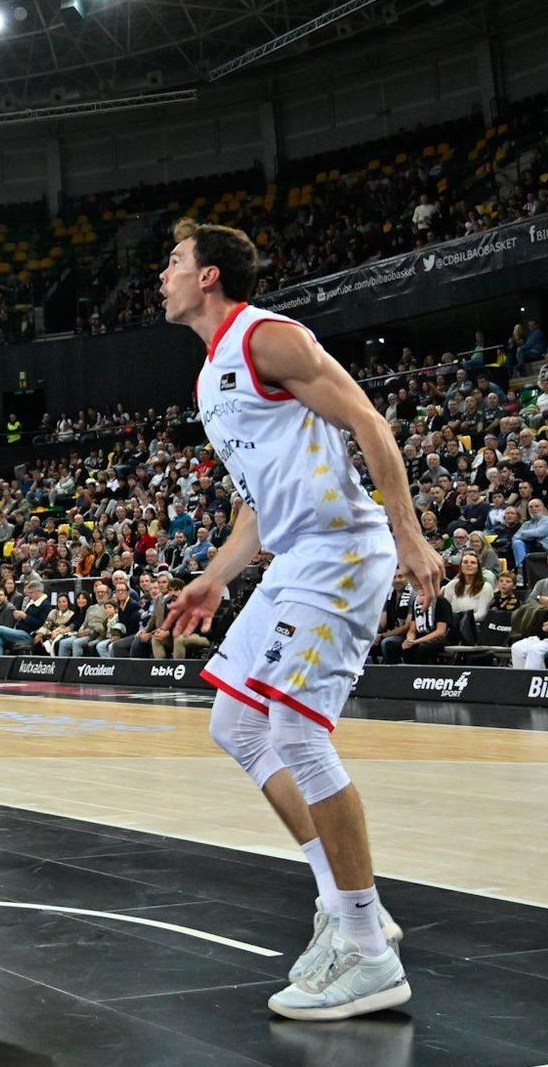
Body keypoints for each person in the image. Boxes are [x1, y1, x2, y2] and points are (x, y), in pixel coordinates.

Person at [161, 219, 430, 1021]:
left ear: (209, 275)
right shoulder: (211, 379)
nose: (162, 274)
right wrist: (212, 578)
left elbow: (369, 421)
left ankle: (368, 952)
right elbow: (254, 506)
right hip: (293, 558)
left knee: (296, 732)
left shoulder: (267, 338)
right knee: (235, 724)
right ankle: (347, 903)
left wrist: (409, 530)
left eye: (173, 261)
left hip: (343, 547)